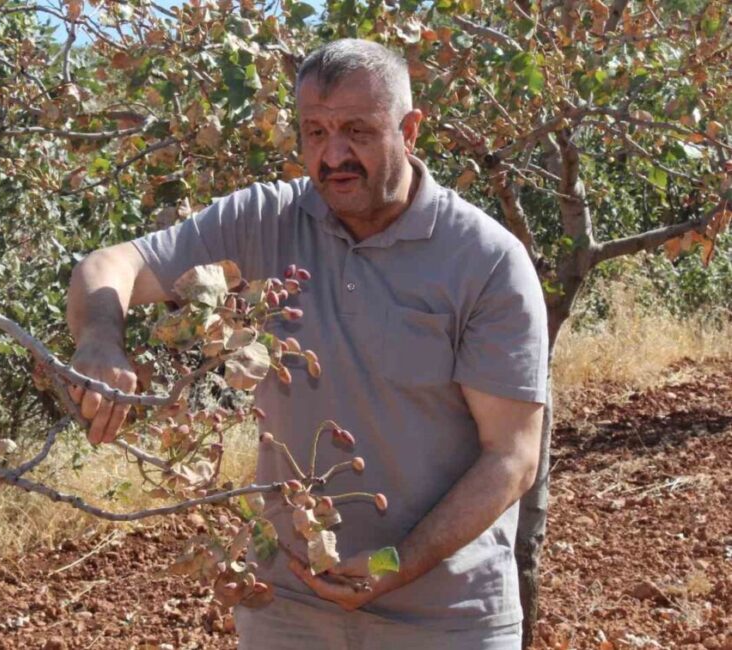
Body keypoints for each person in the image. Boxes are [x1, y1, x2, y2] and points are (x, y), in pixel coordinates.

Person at [65, 39, 548, 649]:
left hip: (446, 616)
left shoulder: (485, 260)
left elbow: (511, 457)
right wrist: (102, 339)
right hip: (288, 605)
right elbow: (112, 264)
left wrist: (390, 564)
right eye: (314, 132)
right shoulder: (265, 222)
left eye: (356, 130)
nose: (332, 155)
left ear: (410, 130)